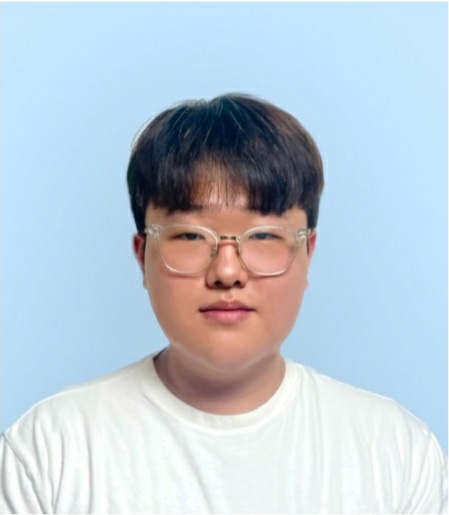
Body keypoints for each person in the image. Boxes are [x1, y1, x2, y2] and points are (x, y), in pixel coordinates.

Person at [0, 93, 446, 514]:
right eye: (190, 236)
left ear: (307, 253)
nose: (227, 271)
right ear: (142, 256)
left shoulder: (395, 452)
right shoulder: (47, 451)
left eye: (263, 235)